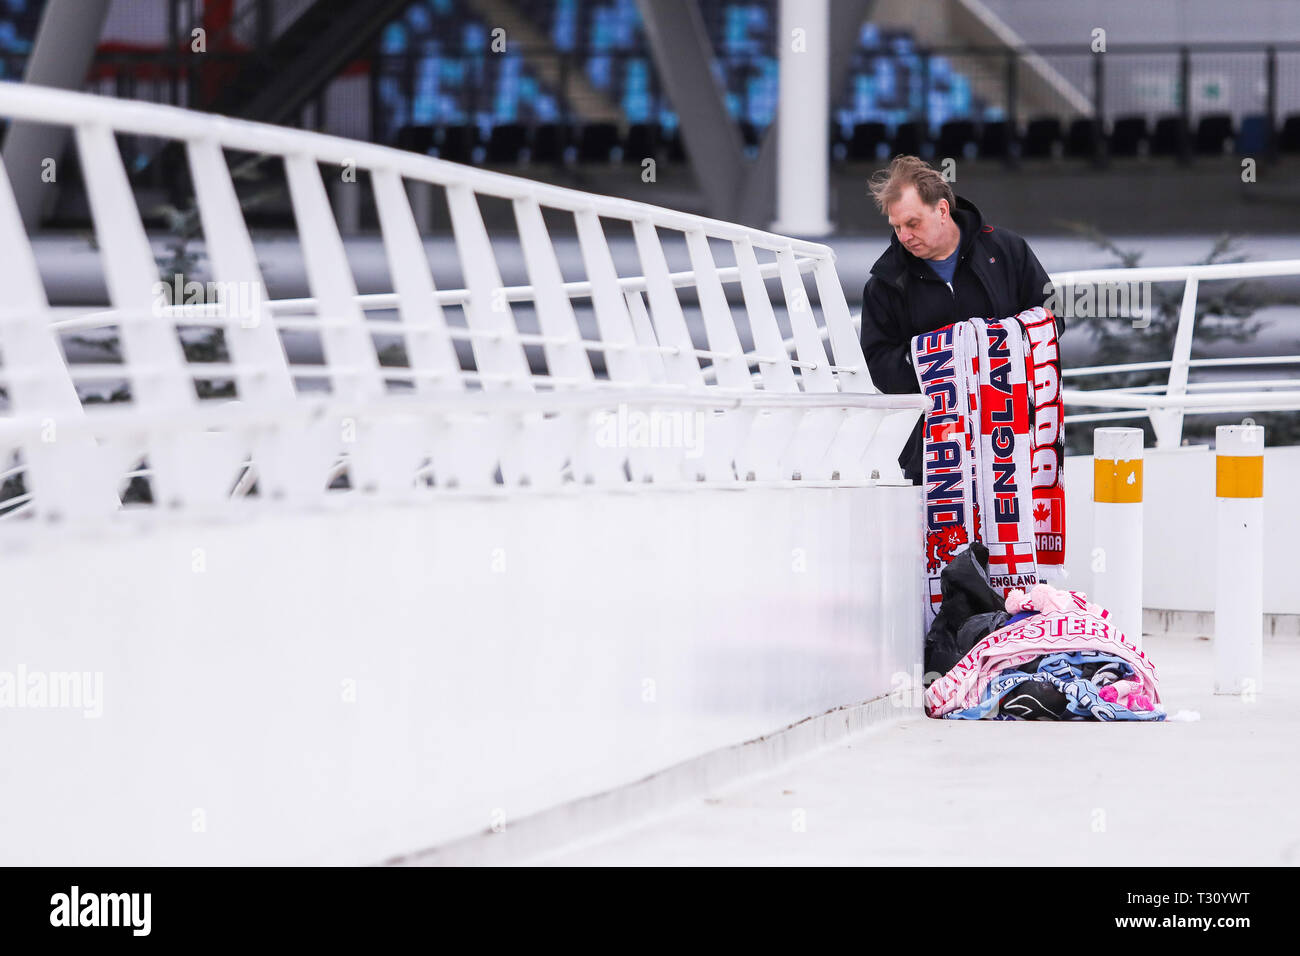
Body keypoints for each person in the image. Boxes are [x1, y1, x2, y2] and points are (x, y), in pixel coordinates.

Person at [859, 155, 1060, 484]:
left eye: (913, 223)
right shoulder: (885, 281)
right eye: (896, 226)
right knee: (944, 538)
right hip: (932, 455)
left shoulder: (1006, 249)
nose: (904, 235)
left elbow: (1053, 315)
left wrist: (1001, 343)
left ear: (941, 210)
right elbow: (878, 364)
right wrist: (943, 356)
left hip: (1011, 443)